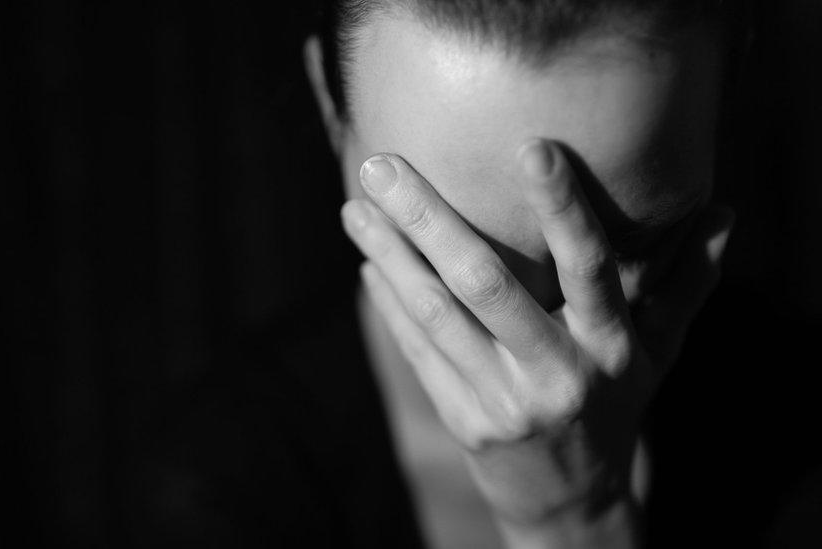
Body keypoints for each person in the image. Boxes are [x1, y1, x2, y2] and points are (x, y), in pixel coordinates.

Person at [298, 0, 741, 547]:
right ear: (327, 101)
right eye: (448, 250)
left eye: (622, 252)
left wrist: (576, 524)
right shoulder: (197, 491)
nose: (550, 365)